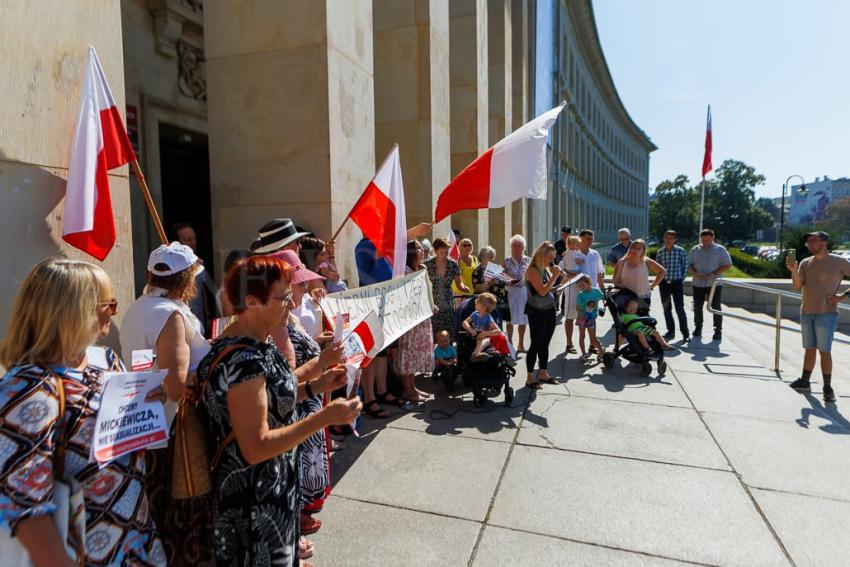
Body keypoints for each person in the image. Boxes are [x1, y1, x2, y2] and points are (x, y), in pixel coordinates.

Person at [197, 254, 361, 567]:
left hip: (272, 491)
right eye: (284, 297)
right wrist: (323, 418)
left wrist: (316, 385)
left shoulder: (257, 343)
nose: (292, 303)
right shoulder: (243, 361)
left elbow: (273, 398)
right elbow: (256, 446)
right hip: (254, 500)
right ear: (251, 301)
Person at [0, 258, 165, 566]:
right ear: (75, 310)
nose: (114, 311)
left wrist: (147, 401)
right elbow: (25, 507)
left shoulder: (106, 361)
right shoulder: (28, 389)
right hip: (84, 551)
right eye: (108, 303)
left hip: (136, 542)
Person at [120, 242, 213, 566]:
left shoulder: (138, 307)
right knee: (178, 506)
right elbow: (175, 383)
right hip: (173, 426)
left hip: (146, 421)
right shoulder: (170, 315)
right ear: (187, 280)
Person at [266, 250, 341, 554]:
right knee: (291, 476)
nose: (301, 291)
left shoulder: (289, 317)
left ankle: (294, 530)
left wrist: (321, 347)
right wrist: (322, 363)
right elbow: (286, 380)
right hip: (296, 407)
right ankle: (291, 539)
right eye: (297, 285)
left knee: (298, 475)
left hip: (307, 402)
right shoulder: (277, 324)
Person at [787, 231, 850, 403]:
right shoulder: (806, 263)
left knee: (824, 351)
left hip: (826, 314)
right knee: (809, 348)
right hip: (806, 312)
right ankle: (805, 381)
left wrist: (841, 297)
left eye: (812, 241)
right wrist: (793, 271)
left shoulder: (839, 262)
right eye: (808, 242)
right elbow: (797, 285)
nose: (808, 244)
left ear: (823, 243)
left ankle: (827, 387)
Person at [394, 240, 435, 403]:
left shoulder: (423, 269)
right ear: (410, 252)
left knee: (415, 355)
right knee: (407, 355)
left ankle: (413, 387)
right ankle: (407, 390)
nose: (423, 250)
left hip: (423, 317)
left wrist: (432, 305)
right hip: (409, 319)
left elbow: (427, 292)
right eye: (418, 247)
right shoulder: (404, 271)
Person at [524, 242, 562, 388]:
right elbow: (541, 291)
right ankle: (529, 377)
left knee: (545, 343)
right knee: (536, 343)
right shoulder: (532, 270)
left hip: (548, 309)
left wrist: (559, 284)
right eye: (550, 257)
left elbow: (546, 289)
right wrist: (554, 277)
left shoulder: (544, 269)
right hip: (537, 311)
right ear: (541, 256)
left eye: (553, 257)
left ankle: (543, 373)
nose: (551, 261)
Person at [174, 222, 220, 337]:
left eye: (194, 239)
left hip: (199, 320)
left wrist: (208, 316)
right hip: (180, 321)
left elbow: (204, 290)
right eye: (187, 240)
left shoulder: (199, 265)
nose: (192, 243)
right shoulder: (171, 268)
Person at [689, 228, 733, 341]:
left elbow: (728, 264)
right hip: (698, 283)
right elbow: (689, 265)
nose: (705, 243)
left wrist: (715, 273)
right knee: (697, 307)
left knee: (716, 307)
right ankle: (698, 328)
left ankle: (718, 330)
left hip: (714, 284)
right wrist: (695, 272)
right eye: (703, 240)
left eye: (708, 240)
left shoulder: (720, 249)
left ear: (713, 238)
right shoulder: (695, 250)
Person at [426, 238, 469, 338]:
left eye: (446, 252)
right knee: (432, 332)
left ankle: (449, 353)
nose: (445, 254)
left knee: (448, 332)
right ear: (435, 251)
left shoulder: (453, 265)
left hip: (447, 301)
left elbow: (459, 284)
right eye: (442, 252)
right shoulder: (427, 265)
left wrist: (464, 288)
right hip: (432, 302)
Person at [655, 229, 691, 341]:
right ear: (663, 238)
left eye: (671, 238)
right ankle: (670, 332)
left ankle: (685, 333)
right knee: (666, 308)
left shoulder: (681, 251)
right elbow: (657, 268)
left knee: (679, 308)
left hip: (677, 283)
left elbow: (685, 266)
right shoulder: (660, 252)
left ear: (675, 239)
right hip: (664, 284)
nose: (668, 240)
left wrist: (681, 280)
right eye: (666, 237)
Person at [612, 239, 665, 313]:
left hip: (643, 298)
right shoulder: (622, 262)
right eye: (634, 248)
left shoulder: (646, 261)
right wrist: (621, 286)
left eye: (639, 249)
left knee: (643, 322)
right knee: (625, 321)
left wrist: (652, 285)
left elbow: (662, 271)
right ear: (630, 248)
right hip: (625, 298)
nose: (635, 250)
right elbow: (615, 280)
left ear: (643, 251)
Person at [504, 234, 532, 352]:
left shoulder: (528, 260)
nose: (516, 248)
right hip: (511, 292)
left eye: (519, 245)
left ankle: (521, 344)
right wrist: (508, 279)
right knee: (510, 319)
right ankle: (510, 344)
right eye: (514, 245)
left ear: (523, 247)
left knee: (523, 319)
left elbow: (531, 274)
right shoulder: (506, 261)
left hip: (524, 292)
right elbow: (502, 275)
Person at [559, 235, 586, 354]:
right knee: (570, 315)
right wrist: (569, 276)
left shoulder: (567, 253)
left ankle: (585, 344)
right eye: (578, 243)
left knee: (583, 316)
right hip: (572, 285)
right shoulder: (573, 253)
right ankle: (570, 343)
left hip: (583, 287)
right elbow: (560, 268)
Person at [472, 246, 510, 323]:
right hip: (486, 305)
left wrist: (506, 275)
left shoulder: (496, 269)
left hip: (498, 303)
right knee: (486, 327)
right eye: (489, 257)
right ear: (482, 258)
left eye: (493, 257)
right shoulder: (477, 271)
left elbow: (507, 282)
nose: (492, 259)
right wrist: (489, 283)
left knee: (498, 327)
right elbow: (477, 288)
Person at [462, 293, 502, 362]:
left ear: (483, 307)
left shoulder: (488, 318)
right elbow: (464, 323)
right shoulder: (475, 314)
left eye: (477, 302)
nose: (475, 302)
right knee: (480, 339)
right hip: (474, 335)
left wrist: (485, 333)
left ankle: (475, 354)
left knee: (486, 340)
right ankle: (477, 354)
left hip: (484, 338)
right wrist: (470, 329)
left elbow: (498, 331)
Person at [575, 275, 604, 362]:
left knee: (593, 337)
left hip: (591, 318)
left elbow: (603, 297)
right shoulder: (580, 295)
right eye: (579, 286)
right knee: (582, 336)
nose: (581, 287)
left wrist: (603, 305)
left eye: (583, 285)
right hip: (582, 318)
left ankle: (601, 352)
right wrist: (582, 311)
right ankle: (584, 354)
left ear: (589, 283)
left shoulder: (596, 291)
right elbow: (577, 307)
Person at [452, 238, 478, 304]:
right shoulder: (457, 259)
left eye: (469, 245)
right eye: (464, 245)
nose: (467, 247)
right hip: (459, 293)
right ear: (460, 247)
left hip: (471, 291)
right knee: (459, 313)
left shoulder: (474, 259)